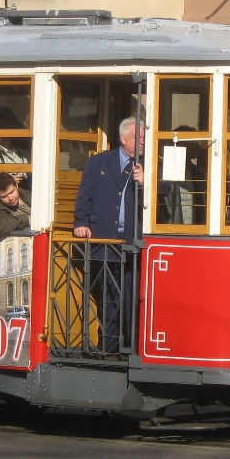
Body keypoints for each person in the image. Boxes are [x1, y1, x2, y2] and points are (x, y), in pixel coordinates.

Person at [73, 116, 145, 352]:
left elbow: (164, 198)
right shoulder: (99, 162)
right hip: (105, 239)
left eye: (144, 137)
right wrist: (81, 222)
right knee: (108, 298)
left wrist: (145, 184)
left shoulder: (151, 165)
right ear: (124, 139)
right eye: (138, 137)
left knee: (132, 297)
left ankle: (132, 346)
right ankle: (108, 348)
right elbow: (85, 194)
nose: (143, 141)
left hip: (133, 242)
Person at [0, 172, 32, 240]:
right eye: (4, 196)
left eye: (12, 192)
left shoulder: (30, 194)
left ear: (16, 185)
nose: (10, 198)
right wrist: (26, 220)